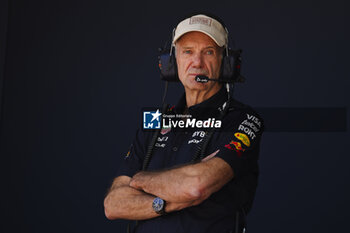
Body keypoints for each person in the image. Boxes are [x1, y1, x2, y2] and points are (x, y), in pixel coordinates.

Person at [104, 13, 264, 233]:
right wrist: (167, 200)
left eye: (208, 52)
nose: (197, 63)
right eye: (188, 51)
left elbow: (196, 186)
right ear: (171, 61)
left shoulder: (243, 120)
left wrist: (139, 180)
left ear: (226, 63)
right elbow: (113, 205)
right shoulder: (154, 121)